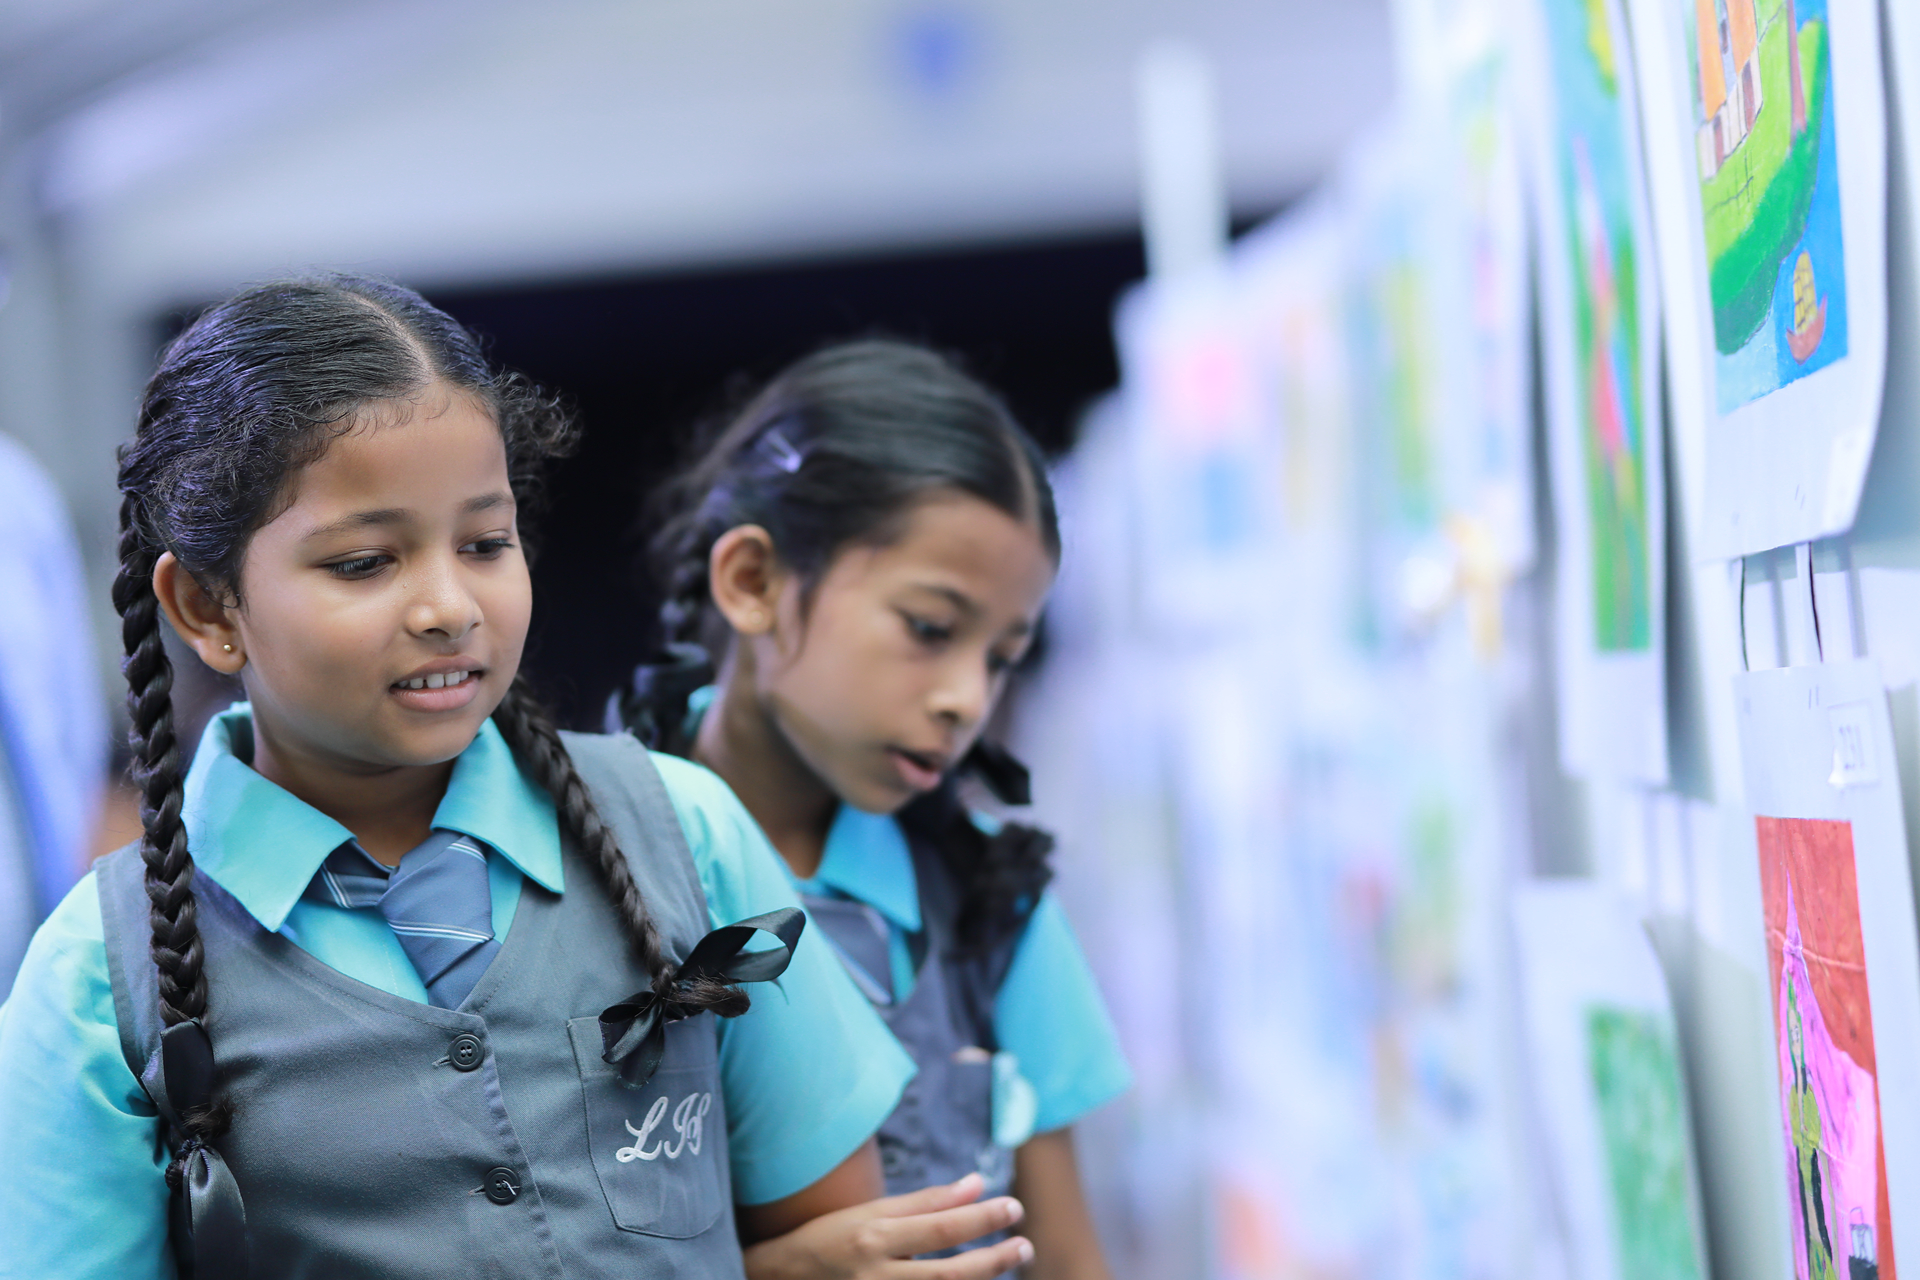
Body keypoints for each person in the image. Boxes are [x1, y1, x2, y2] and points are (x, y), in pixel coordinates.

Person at [0, 277, 1032, 1279]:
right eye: (364, 562)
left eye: (486, 542)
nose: (450, 603)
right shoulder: (101, 975)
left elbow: (849, 1241)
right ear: (207, 607)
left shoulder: (684, 832)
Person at [613, 340, 1130, 1280]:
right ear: (753, 583)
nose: (966, 698)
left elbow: (1067, 1255)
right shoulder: (577, 869)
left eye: (1001, 655)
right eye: (930, 628)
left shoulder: (989, 899)